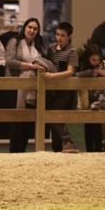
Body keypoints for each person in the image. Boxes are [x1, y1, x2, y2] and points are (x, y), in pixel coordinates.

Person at [6, 18, 48, 153]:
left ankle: (23, 154)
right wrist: (30, 65)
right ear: (24, 28)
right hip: (17, 87)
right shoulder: (15, 42)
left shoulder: (39, 46)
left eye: (35, 29)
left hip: (33, 90)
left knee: (27, 125)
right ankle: (13, 153)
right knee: (16, 124)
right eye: (30, 27)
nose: (32, 31)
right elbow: (10, 61)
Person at [43, 22, 80, 153]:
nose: (59, 38)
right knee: (53, 119)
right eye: (57, 34)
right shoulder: (51, 48)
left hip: (65, 91)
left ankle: (68, 141)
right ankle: (58, 150)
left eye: (62, 35)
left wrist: (52, 76)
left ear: (69, 37)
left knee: (54, 114)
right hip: (52, 90)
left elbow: (70, 72)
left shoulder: (72, 52)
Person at [76, 44, 105, 152]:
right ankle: (89, 150)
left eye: (98, 60)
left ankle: (98, 148)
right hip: (87, 100)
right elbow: (76, 74)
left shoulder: (102, 65)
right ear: (88, 58)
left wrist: (101, 72)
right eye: (93, 60)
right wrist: (91, 72)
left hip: (100, 100)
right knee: (89, 125)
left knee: (98, 126)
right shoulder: (84, 65)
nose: (96, 62)